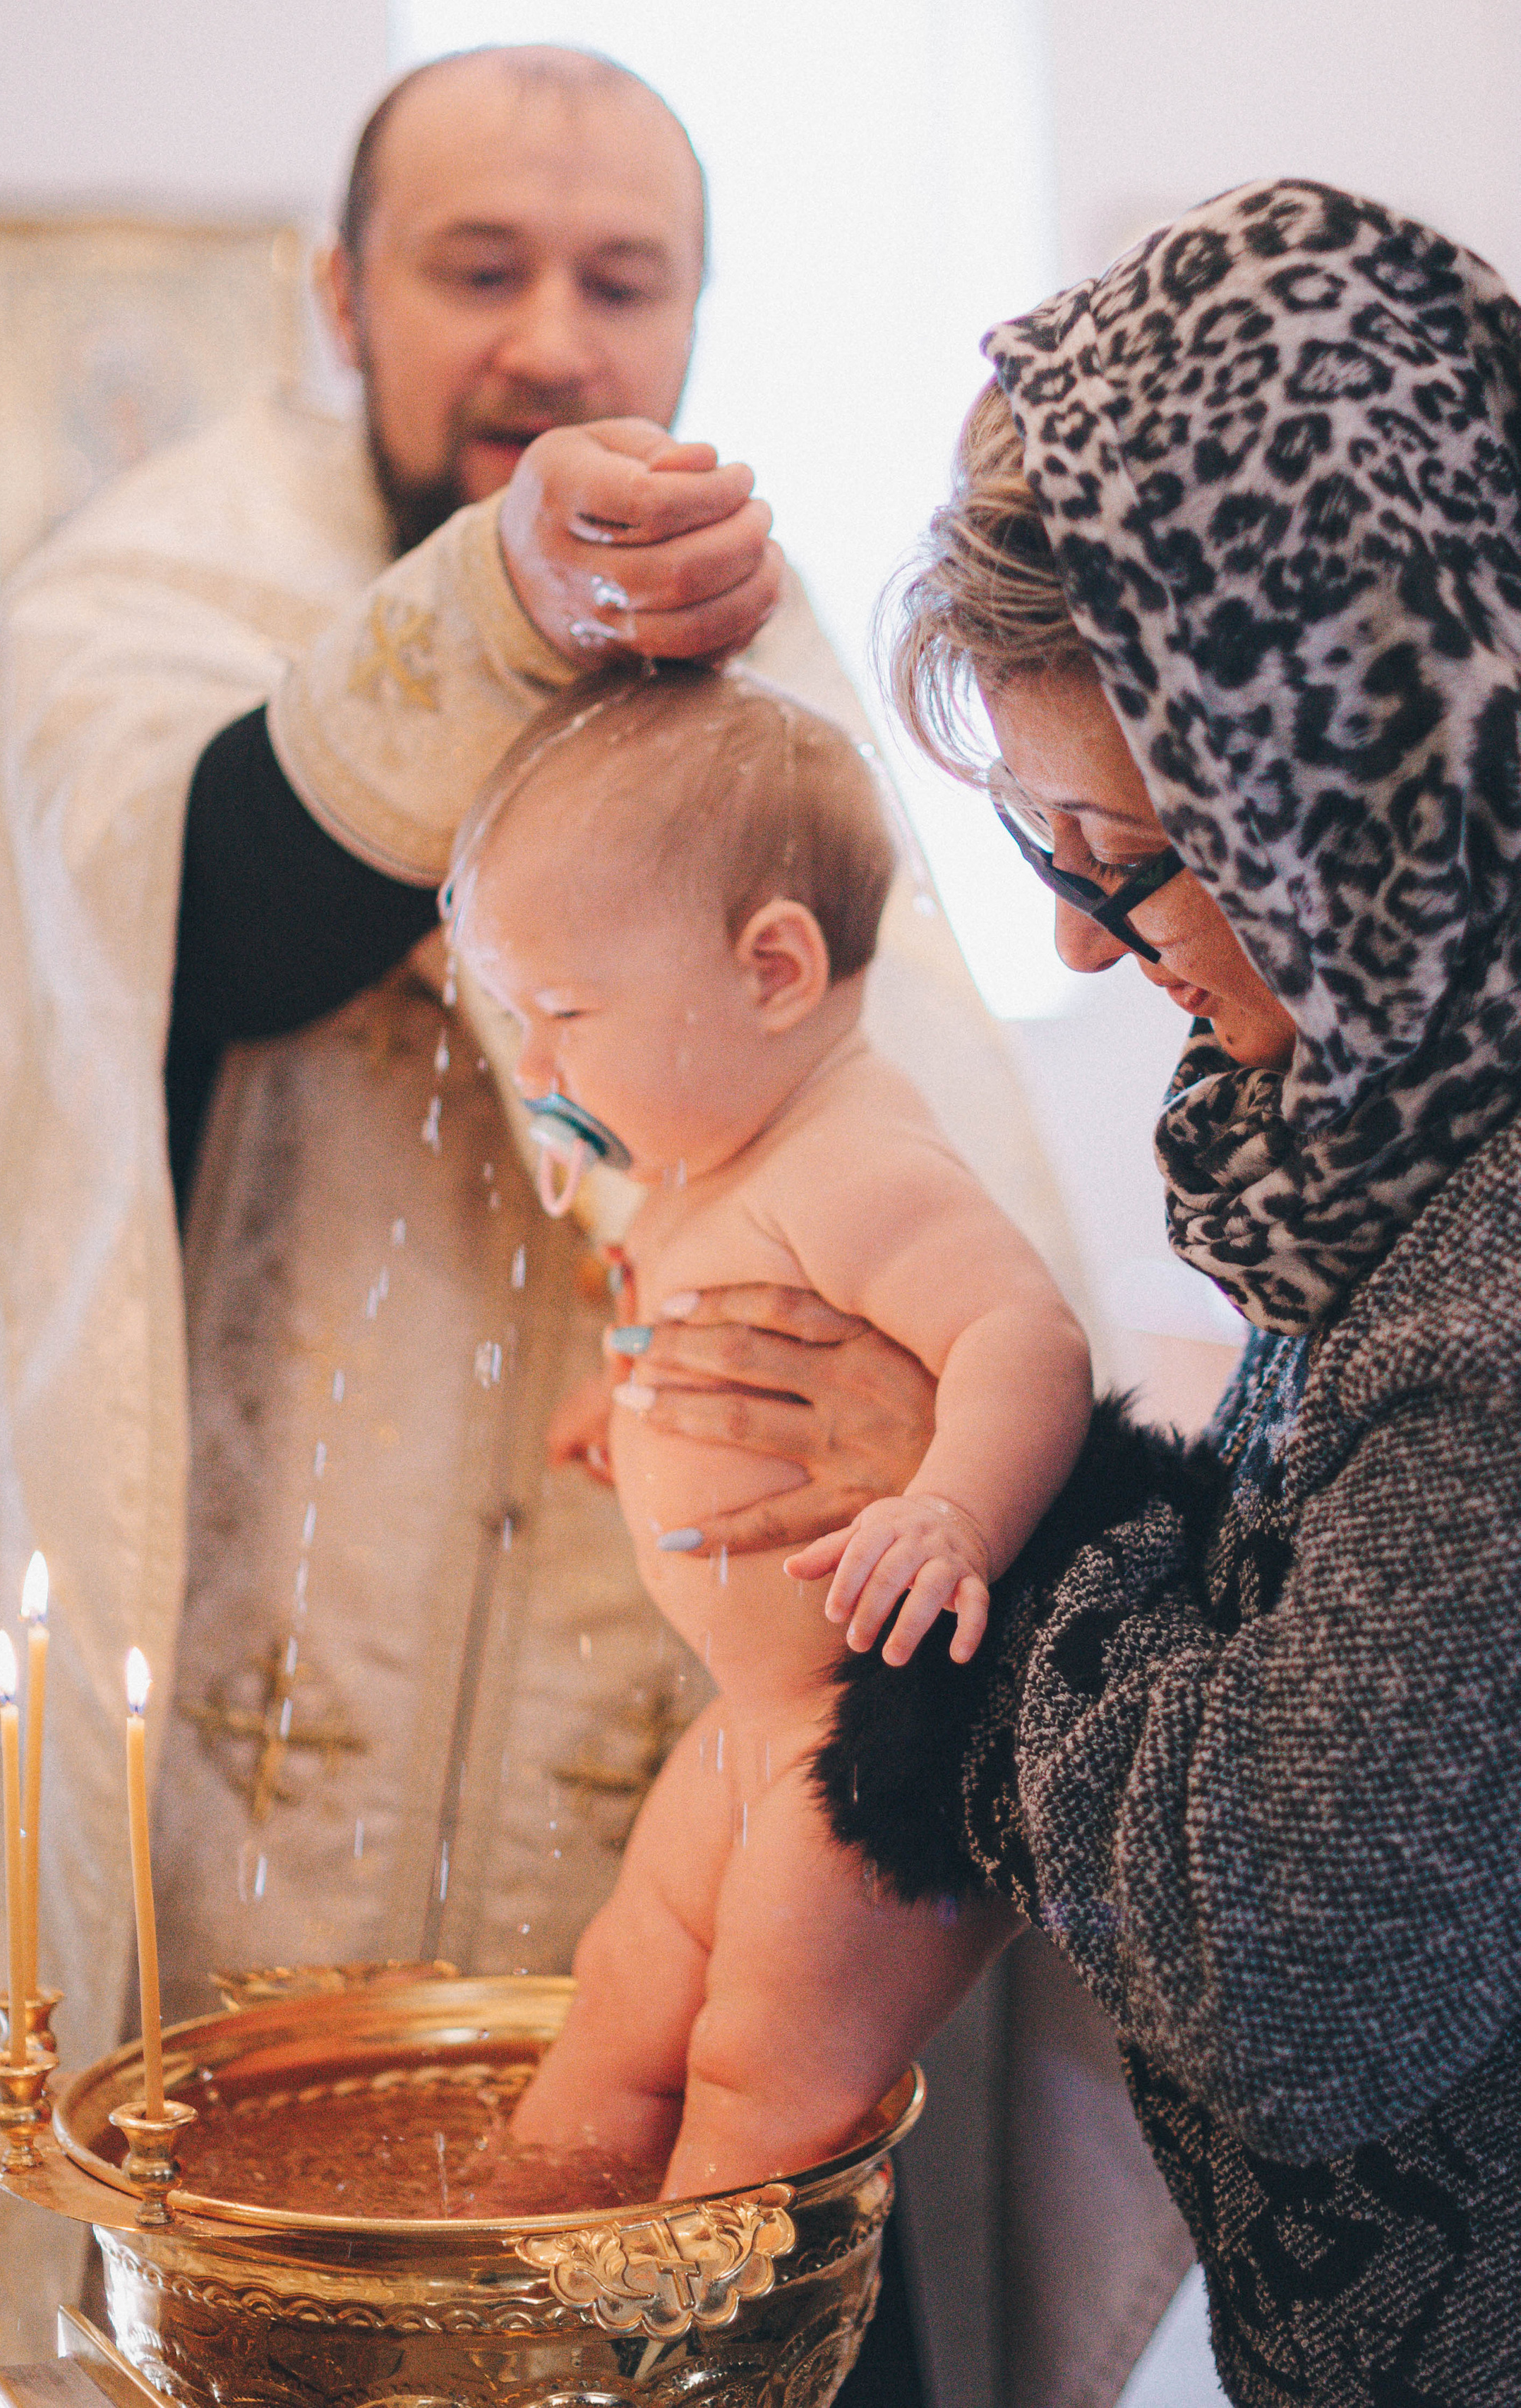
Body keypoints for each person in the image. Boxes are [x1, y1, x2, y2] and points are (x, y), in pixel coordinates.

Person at [0, 43, 1139, 2408]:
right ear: (336, 299)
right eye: (479, 269)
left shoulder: (767, 681)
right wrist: (490, 607)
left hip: (689, 1801)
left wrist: (915, 1410)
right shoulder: (144, 598)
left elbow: (958, 1235)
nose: (554, 339)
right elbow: (190, 929)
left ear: (694, 320)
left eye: (622, 279)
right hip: (243, 1849)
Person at [798, 176, 1521, 2404]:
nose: (1086, 949)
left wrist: (993, 1548)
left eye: (1128, 858)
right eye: (1047, 855)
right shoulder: (1388, 1105)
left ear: (1359, 770)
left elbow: (1291, 1958)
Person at [445, 661, 1088, 2196]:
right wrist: (639, 1397)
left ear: (774, 969)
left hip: (868, 1733)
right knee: (617, 1997)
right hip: (751, 1714)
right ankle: (533, 2288)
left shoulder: (855, 1156)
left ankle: (696, 2334)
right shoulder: (707, 1158)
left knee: (758, 2069)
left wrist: (946, 1510)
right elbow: (724, 1335)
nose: (535, 1073)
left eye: (564, 1015)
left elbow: (1024, 1339)